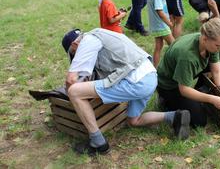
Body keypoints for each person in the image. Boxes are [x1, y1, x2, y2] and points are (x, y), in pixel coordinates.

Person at [62, 28, 191, 156]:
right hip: (150, 75)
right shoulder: (102, 34)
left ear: (75, 45)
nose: (76, 56)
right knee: (134, 121)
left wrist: (71, 95)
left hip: (136, 82)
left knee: (74, 92)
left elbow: (71, 80)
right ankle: (174, 116)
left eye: (74, 53)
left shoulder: (87, 41)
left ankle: (98, 142)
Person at [157, 18, 220, 127]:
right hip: (169, 85)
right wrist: (211, 99)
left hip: (183, 74)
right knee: (199, 121)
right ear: (205, 39)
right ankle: (165, 101)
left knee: (218, 56)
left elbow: (216, 70)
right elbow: (184, 89)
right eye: (218, 45)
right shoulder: (187, 56)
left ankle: (198, 93)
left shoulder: (210, 43)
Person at [147, 0, 175, 67]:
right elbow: (160, 11)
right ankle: (173, 66)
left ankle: (155, 68)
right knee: (174, 45)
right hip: (161, 25)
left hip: (155, 26)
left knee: (158, 46)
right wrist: (169, 23)